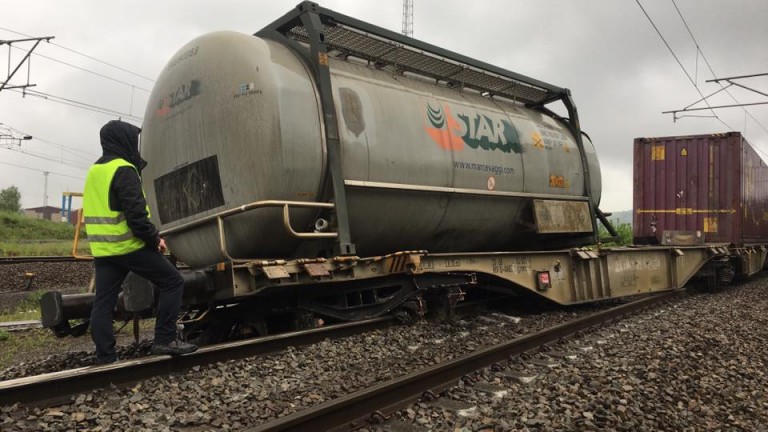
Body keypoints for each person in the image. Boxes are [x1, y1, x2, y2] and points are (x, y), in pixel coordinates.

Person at [83, 119, 197, 364]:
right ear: (124, 140)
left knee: (103, 301)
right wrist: (155, 239)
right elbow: (136, 215)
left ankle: (106, 356)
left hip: (104, 250)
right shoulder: (124, 169)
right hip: (129, 246)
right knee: (173, 281)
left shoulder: (94, 170)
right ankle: (165, 339)